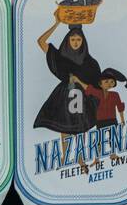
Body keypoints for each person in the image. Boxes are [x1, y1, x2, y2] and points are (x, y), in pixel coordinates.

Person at [34, 17, 102, 157]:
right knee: (65, 126)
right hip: (65, 96)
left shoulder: (91, 63)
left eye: (78, 40)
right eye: (72, 39)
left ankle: (81, 158)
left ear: (83, 41)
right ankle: (65, 157)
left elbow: (98, 86)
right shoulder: (60, 57)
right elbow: (41, 41)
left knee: (81, 128)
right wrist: (57, 23)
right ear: (68, 40)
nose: (75, 42)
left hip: (84, 98)